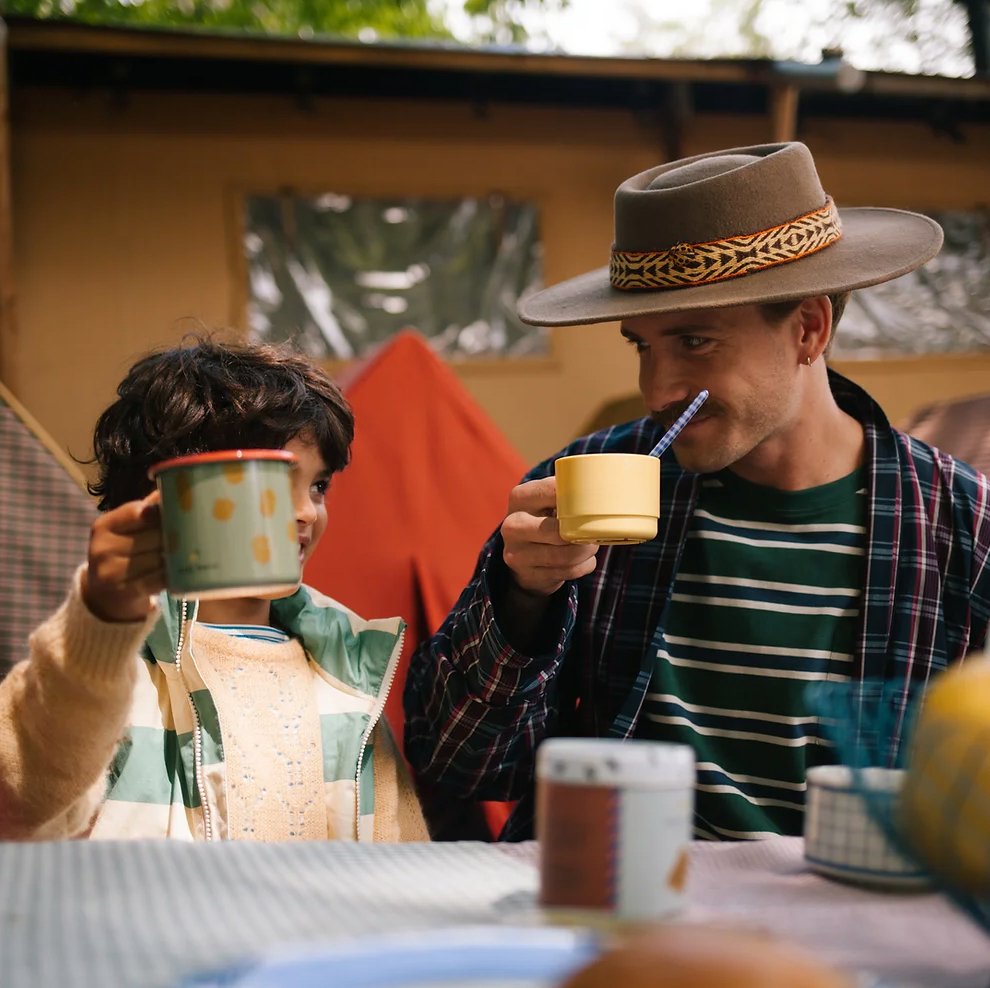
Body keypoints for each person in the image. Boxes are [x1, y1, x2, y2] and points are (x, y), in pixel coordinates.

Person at [403, 141, 990, 842]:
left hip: (850, 919)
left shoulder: (960, 523)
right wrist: (520, 601)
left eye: (695, 342)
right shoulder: (590, 483)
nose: (658, 388)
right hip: (614, 897)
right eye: (642, 346)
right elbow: (457, 762)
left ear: (808, 329)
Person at [0, 336, 428, 842]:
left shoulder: (347, 668)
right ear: (168, 497)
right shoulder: (102, 667)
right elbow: (22, 801)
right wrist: (102, 618)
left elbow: (398, 854)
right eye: (270, 485)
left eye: (319, 486)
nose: (307, 512)